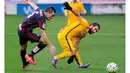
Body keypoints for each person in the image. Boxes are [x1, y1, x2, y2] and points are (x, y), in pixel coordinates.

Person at [51, 2, 100, 68]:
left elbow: (76, 43)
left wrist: (74, 53)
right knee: (71, 52)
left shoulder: (84, 33)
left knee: (75, 49)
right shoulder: (85, 23)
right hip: (64, 35)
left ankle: (80, 64)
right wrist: (70, 8)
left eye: (96, 31)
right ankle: (55, 58)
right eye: (95, 29)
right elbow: (78, 15)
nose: (95, 31)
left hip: (67, 37)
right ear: (91, 25)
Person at [18, 0, 56, 69]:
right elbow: (43, 33)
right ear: (47, 13)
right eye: (52, 15)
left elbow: (34, 6)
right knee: (44, 42)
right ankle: (30, 55)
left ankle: (24, 63)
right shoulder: (42, 18)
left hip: (20, 29)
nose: (52, 17)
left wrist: (28, 1)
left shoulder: (40, 10)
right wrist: (50, 45)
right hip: (26, 32)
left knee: (23, 48)